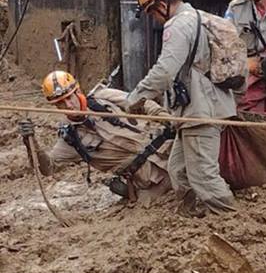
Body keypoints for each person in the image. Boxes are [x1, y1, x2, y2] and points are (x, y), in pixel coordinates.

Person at [124, 0, 238, 216]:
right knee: (178, 169)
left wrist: (136, 97)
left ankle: (230, 219)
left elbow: (165, 70)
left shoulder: (177, 25)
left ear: (161, 5)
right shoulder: (196, 17)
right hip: (195, 110)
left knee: (203, 176)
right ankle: (193, 217)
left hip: (200, 110)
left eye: (152, 12)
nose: (154, 19)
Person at [18, 70, 172, 198]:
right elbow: (48, 168)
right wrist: (30, 142)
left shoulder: (104, 97)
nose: (68, 105)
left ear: (78, 91)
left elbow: (140, 102)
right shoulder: (70, 138)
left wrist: (164, 117)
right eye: (61, 103)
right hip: (151, 180)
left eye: (69, 97)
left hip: (167, 150)